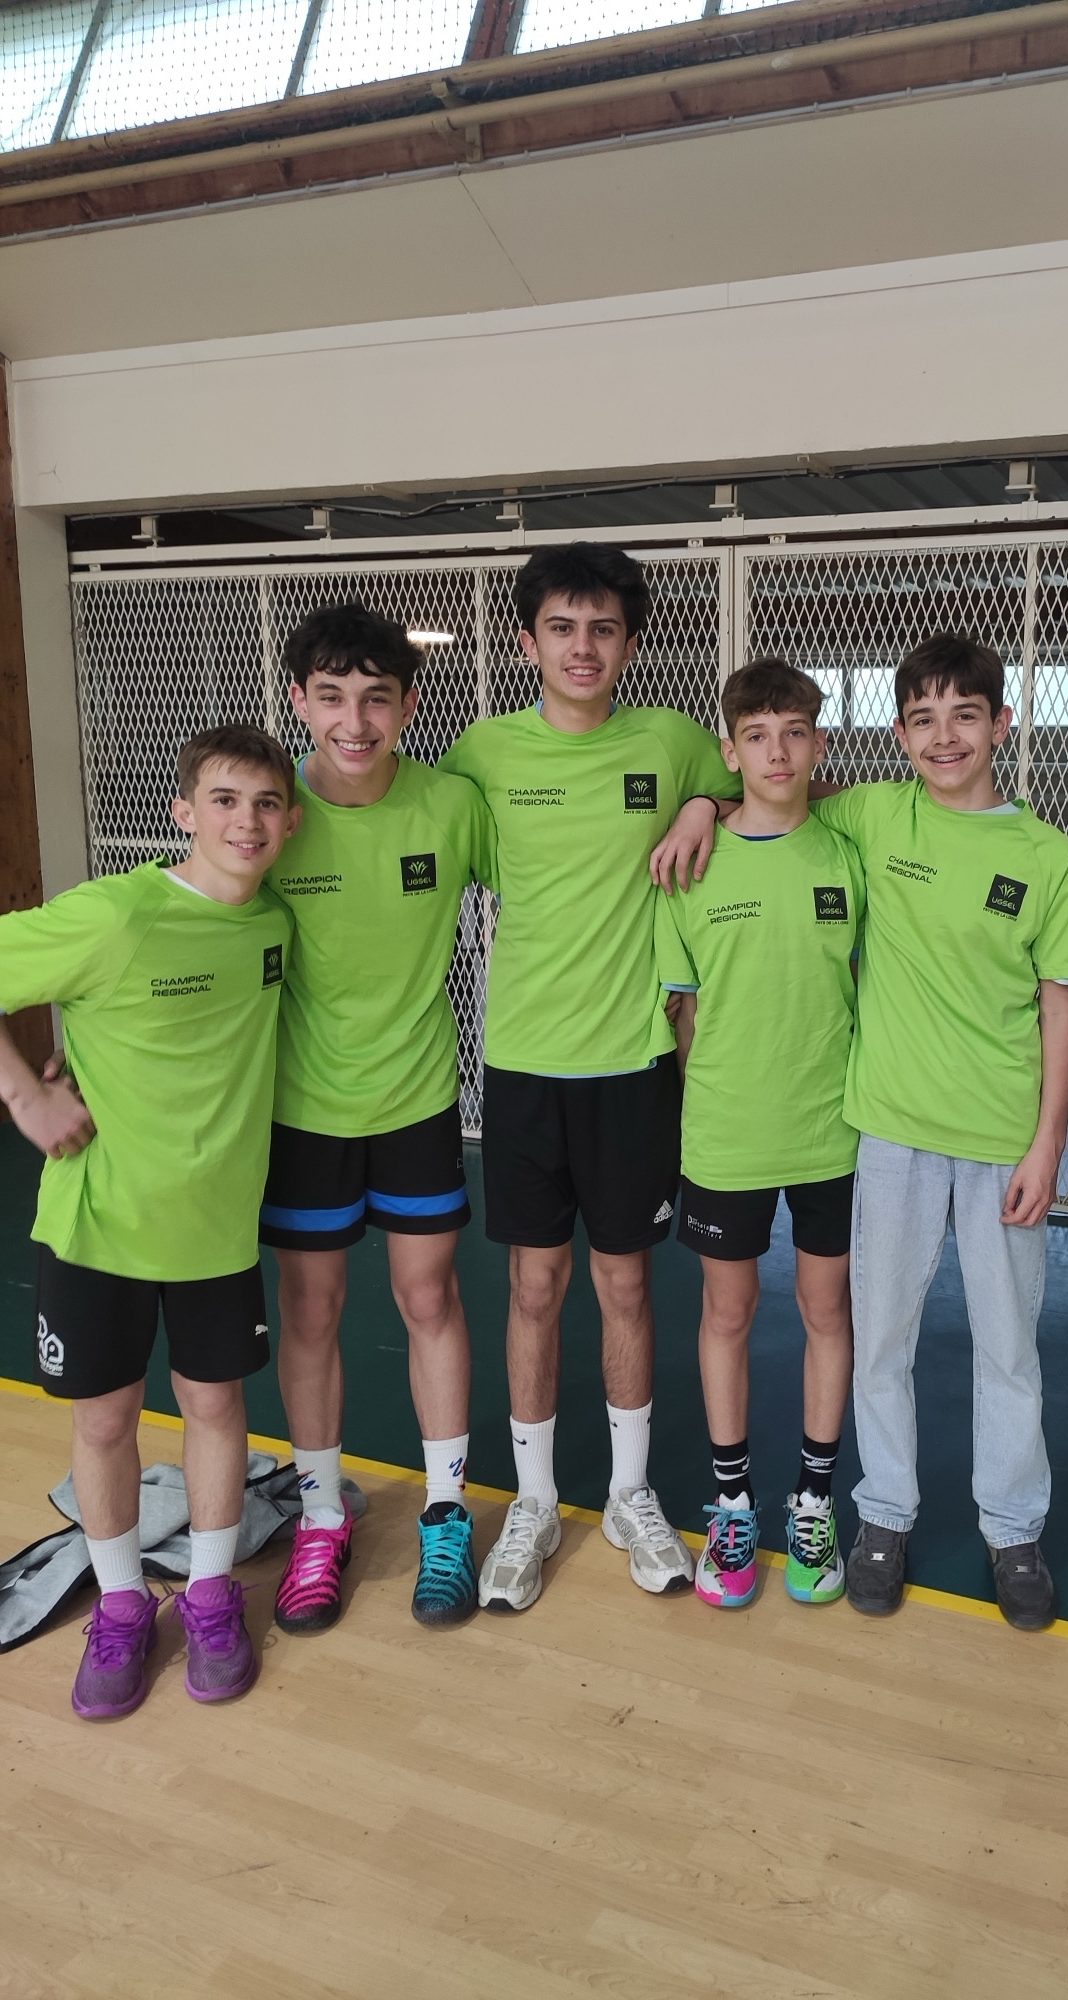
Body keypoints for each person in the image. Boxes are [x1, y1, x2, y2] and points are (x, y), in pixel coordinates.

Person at [658, 632, 1068, 1627]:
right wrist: (701, 804)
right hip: (887, 1130)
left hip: (1000, 1137)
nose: (945, 738)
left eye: (965, 716)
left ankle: (1012, 1528)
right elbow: (771, 792)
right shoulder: (870, 814)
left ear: (1002, 723)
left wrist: (1048, 1143)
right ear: (899, 734)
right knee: (881, 1338)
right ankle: (883, 1515)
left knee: (1007, 1347)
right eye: (924, 719)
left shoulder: (1046, 855)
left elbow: (1061, 1003)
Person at [441, 544, 739, 1612]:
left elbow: (747, 786)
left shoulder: (670, 739)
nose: (582, 647)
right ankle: (532, 1500)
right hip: (525, 1064)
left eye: (603, 628)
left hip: (632, 1063)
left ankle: (626, 1492)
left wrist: (703, 807)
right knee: (533, 1287)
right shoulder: (482, 753)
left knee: (624, 1285)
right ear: (528, 642)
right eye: (562, 628)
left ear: (630, 642)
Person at [0, 725, 298, 1718]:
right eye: (224, 800)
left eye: (265, 803)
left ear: (290, 822)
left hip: (216, 1226)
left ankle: (210, 1595)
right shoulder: (117, 914)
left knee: (215, 1408)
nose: (246, 822)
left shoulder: (275, 926)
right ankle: (122, 1604)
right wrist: (27, 1094)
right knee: (104, 1419)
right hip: (101, 1225)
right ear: (183, 813)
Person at [262, 603, 494, 1635]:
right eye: (332, 696)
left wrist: (705, 805)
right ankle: (321, 1516)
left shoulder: (452, 804)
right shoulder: (269, 809)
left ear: (409, 704)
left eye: (376, 697)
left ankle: (445, 1511)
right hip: (302, 1108)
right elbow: (185, 913)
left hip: (416, 1097)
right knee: (310, 1310)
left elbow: (573, 864)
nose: (354, 721)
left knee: (428, 1294)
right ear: (299, 700)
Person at [655, 659, 864, 1609]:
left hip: (834, 1130)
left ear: (818, 744)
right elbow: (685, 1016)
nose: (777, 752)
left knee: (827, 1311)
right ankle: (732, 1504)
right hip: (728, 1133)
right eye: (757, 735)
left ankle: (814, 1502)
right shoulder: (690, 866)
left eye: (795, 732)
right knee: (728, 1313)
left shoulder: (848, 851)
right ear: (729, 749)